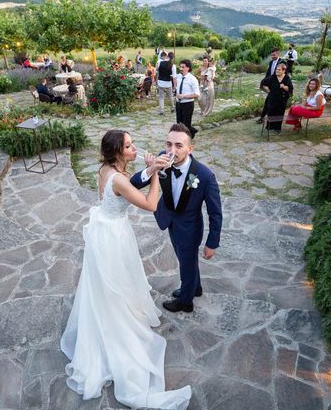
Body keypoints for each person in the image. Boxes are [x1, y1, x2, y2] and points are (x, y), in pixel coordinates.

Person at [61, 130, 191, 409]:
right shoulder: (118, 178)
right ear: (118, 152)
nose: (134, 148)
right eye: (129, 146)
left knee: (108, 283)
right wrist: (156, 173)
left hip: (104, 228)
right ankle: (117, 325)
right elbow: (150, 204)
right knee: (117, 282)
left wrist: (148, 168)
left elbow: (129, 183)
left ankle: (112, 311)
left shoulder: (106, 169)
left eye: (132, 144)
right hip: (113, 236)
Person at [131, 123, 222, 313]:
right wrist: (151, 169)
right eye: (168, 144)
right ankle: (195, 287)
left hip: (189, 229)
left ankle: (185, 302)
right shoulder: (162, 159)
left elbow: (215, 213)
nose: (172, 150)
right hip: (169, 220)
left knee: (186, 266)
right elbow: (133, 185)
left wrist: (212, 242)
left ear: (190, 148)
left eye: (179, 146)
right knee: (186, 260)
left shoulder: (205, 176)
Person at [258, 63, 293, 133]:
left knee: (280, 113)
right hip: (272, 98)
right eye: (276, 69)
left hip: (282, 99)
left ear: (284, 71)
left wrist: (284, 87)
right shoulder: (272, 77)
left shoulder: (286, 78)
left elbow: (290, 88)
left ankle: (277, 128)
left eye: (279, 70)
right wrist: (268, 91)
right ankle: (270, 126)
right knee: (271, 112)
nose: (277, 71)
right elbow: (263, 83)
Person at [175, 59, 201, 138]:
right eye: (180, 67)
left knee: (186, 124)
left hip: (188, 104)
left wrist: (184, 96)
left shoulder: (192, 79)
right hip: (178, 103)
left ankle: (185, 139)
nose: (181, 69)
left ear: (188, 68)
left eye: (183, 67)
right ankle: (192, 131)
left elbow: (197, 94)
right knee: (179, 123)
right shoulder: (178, 76)